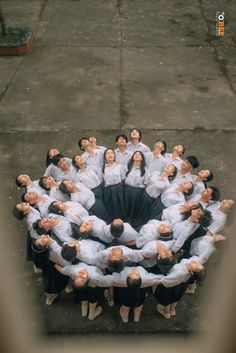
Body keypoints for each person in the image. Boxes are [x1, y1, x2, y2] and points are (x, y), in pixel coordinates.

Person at [124, 151, 150, 224]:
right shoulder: (128, 166)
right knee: (126, 205)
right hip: (127, 189)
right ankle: (126, 219)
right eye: (135, 154)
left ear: (142, 158)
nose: (137, 155)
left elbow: (146, 182)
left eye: (139, 155)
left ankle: (134, 220)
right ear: (132, 157)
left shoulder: (145, 169)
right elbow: (123, 178)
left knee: (135, 206)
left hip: (138, 191)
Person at [102, 148, 126, 221]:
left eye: (112, 153)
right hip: (108, 190)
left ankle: (122, 220)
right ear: (105, 157)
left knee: (120, 205)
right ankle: (113, 220)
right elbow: (102, 180)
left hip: (119, 188)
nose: (110, 154)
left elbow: (123, 178)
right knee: (111, 206)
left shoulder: (120, 167)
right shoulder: (103, 168)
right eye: (107, 153)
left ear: (114, 156)